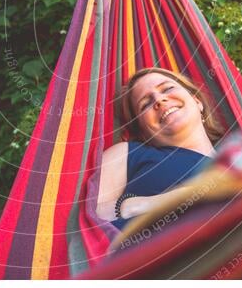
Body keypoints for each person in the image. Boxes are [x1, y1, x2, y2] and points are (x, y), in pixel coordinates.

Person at [96, 67, 225, 229]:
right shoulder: (130, 154)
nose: (158, 100)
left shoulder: (241, 163)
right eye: (145, 104)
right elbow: (87, 216)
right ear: (142, 132)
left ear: (197, 101)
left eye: (167, 88)